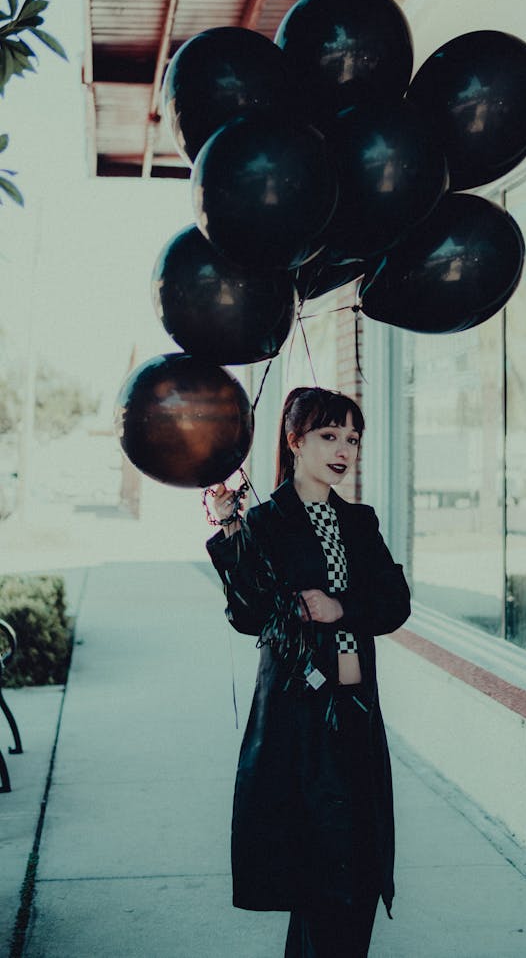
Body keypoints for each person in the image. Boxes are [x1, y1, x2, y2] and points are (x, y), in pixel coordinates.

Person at [206, 386, 411, 958]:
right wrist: (231, 530)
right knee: (320, 874)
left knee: (358, 871)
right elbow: (247, 615)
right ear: (295, 441)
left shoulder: (359, 522)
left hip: (356, 715)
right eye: (329, 436)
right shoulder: (266, 522)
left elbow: (394, 603)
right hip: (299, 721)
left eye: (352, 438)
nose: (344, 449)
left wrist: (338, 606)